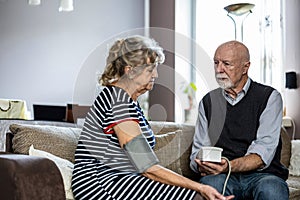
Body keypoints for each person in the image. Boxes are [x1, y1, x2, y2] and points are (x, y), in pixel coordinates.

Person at [71, 35, 234, 200]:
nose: (156, 74)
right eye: (150, 69)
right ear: (130, 71)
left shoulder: (130, 102)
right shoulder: (117, 101)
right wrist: (201, 186)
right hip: (100, 184)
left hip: (122, 178)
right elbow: (146, 166)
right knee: (195, 196)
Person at [190, 40, 289, 200]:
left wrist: (229, 166)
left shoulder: (269, 97)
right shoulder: (208, 102)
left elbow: (263, 152)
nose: (218, 69)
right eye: (216, 63)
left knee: (272, 190)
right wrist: (201, 163)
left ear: (245, 67)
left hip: (262, 175)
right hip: (220, 176)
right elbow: (199, 150)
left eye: (226, 64)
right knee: (208, 187)